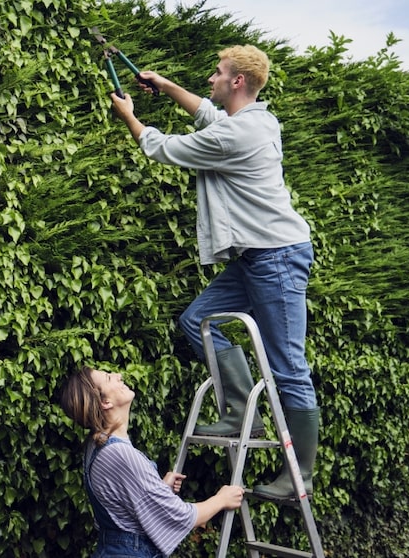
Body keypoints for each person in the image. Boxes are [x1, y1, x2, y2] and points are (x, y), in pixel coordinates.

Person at [108, 45, 319, 500]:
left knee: (289, 368)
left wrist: (129, 114)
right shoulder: (256, 120)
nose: (211, 78)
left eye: (218, 72)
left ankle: (300, 476)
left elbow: (163, 147)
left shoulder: (238, 136)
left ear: (237, 81)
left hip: (277, 255)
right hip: (257, 256)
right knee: (198, 321)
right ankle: (244, 409)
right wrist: (163, 86)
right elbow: (207, 114)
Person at [60, 365, 244, 557]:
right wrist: (222, 499)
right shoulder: (119, 453)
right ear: (105, 402)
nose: (118, 375)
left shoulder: (97, 444)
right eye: (108, 378)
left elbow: (121, 502)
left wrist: (158, 488)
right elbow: (179, 516)